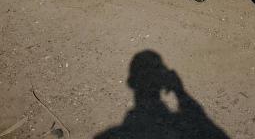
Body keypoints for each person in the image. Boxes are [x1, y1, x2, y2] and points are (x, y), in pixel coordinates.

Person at [94, 50, 229, 139]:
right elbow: (207, 126)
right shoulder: (179, 124)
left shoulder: (109, 134)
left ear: (131, 82)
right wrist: (180, 91)